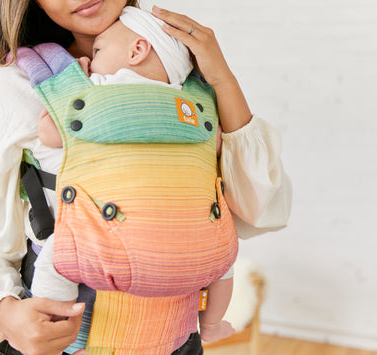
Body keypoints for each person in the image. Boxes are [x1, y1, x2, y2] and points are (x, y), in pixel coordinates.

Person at [0, 0, 292, 354]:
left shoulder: (190, 86)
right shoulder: (16, 87)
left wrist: (222, 78)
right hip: (58, 340)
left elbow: (260, 212)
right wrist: (4, 314)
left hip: (176, 341)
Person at [32, 6, 236, 346]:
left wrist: (72, 86)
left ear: (136, 50)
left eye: (97, 51)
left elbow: (52, 133)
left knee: (58, 256)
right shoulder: (192, 103)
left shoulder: (97, 87)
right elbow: (213, 144)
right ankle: (213, 323)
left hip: (114, 239)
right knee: (223, 261)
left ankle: (56, 332)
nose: (92, 58)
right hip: (188, 239)